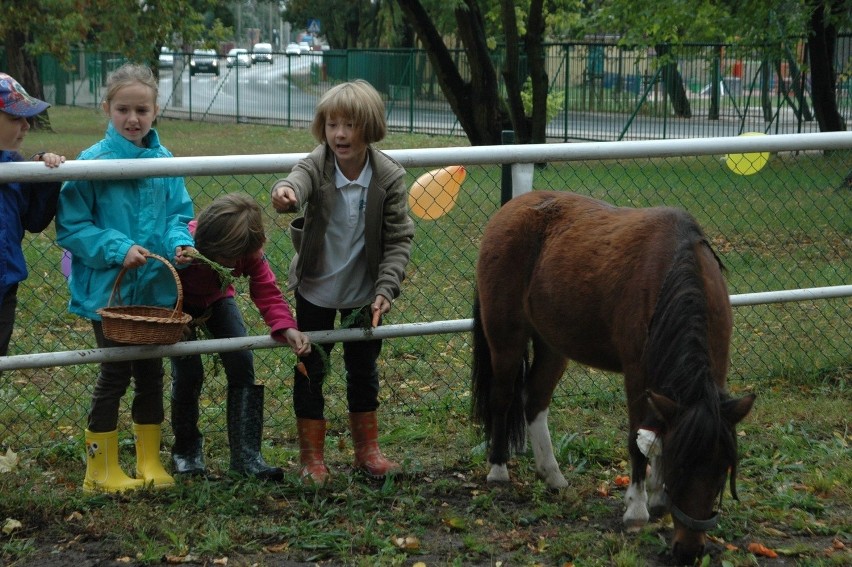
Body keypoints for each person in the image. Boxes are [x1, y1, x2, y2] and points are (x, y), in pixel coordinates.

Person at [56, 63, 195, 493]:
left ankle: (149, 461)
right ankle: (99, 470)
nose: (132, 119)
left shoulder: (164, 160)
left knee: (152, 375)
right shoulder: (90, 164)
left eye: (141, 109)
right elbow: (73, 228)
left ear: (155, 112)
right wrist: (118, 249)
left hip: (154, 290)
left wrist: (177, 244)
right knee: (114, 375)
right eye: (123, 109)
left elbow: (178, 214)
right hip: (109, 292)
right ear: (107, 109)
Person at [270, 79, 415, 484]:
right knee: (310, 368)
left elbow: (399, 238)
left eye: (349, 125)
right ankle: (311, 458)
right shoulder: (318, 164)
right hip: (315, 290)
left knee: (364, 370)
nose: (339, 134)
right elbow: (295, 179)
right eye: (332, 124)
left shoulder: (387, 177)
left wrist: (385, 290)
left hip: (363, 295)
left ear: (368, 127)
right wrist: (284, 191)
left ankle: (367, 451)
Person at [170, 192, 310, 480]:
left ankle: (246, 456)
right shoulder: (184, 246)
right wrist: (170, 319)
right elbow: (156, 282)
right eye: (221, 257)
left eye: (233, 258)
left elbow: (267, 292)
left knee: (241, 360)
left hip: (217, 300)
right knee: (188, 373)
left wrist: (287, 326)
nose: (227, 261)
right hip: (176, 303)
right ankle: (186, 452)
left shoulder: (248, 250)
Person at [0, 73, 66, 358]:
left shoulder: (14, 164)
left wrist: (44, 177)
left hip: (5, 285)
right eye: (15, 118)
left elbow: (35, 221)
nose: (26, 126)